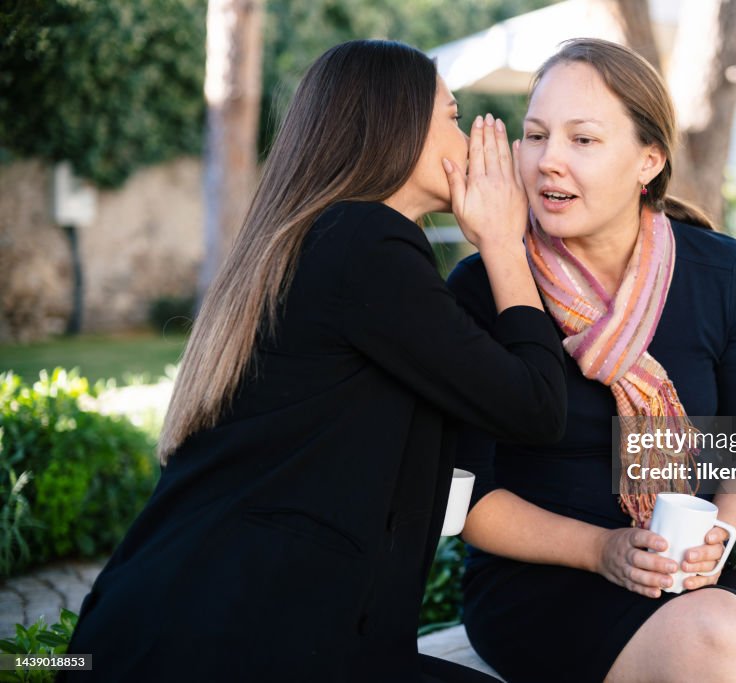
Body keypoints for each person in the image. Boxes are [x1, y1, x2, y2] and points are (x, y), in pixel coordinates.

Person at [60, 40, 566, 683]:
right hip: (222, 643)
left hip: (171, 628)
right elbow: (537, 406)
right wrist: (503, 241)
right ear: (395, 124)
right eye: (452, 116)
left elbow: (466, 463)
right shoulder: (365, 244)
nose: (469, 140)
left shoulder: (328, 240)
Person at [446, 39, 736, 683]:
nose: (549, 161)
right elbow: (464, 498)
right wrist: (602, 549)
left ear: (648, 160)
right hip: (539, 584)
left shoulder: (725, 276)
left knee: (715, 627)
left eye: (583, 140)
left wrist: (723, 541)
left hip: (693, 573)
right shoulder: (481, 285)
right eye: (537, 135)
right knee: (716, 640)